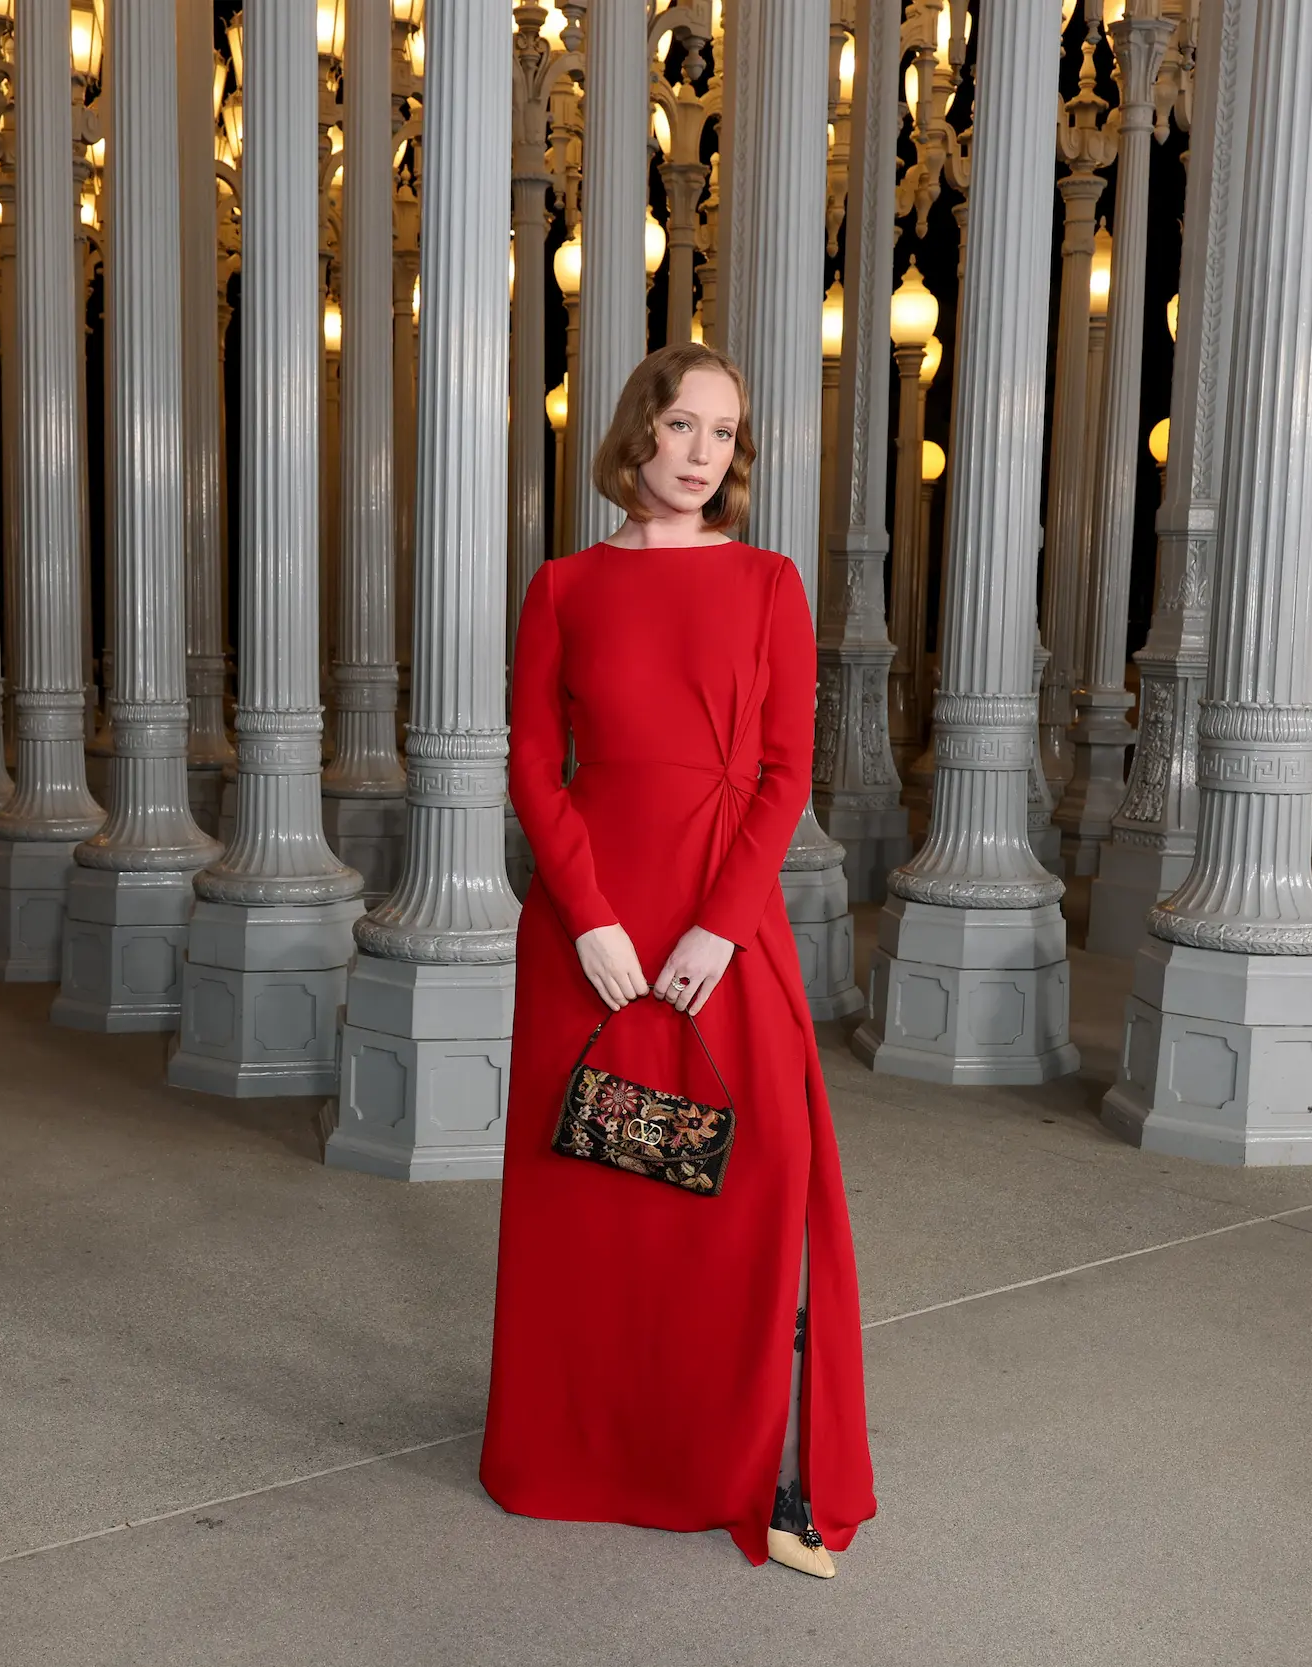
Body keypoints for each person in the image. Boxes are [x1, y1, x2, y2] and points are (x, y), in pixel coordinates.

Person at [480, 343, 876, 1578]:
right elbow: (533, 768)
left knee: (746, 1187)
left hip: (724, 925)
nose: (703, 452)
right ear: (635, 432)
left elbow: (784, 774)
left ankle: (725, 1459)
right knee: (591, 1195)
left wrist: (717, 922)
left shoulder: (768, 584)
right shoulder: (562, 587)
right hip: (585, 933)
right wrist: (590, 918)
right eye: (682, 425)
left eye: (724, 431)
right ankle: (572, 1451)